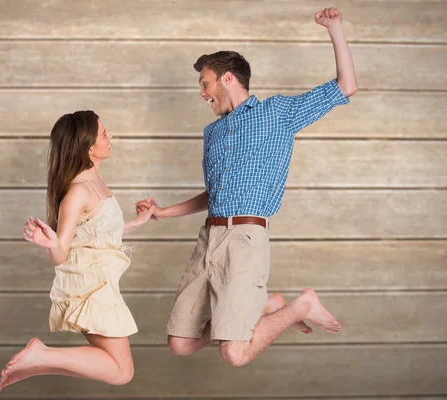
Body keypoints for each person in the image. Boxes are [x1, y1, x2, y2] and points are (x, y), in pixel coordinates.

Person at [136, 7, 357, 367]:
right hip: (210, 238)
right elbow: (214, 195)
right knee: (179, 342)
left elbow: (346, 87)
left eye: (204, 84)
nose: (201, 94)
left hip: (245, 241)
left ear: (227, 79)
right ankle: (268, 309)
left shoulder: (276, 114)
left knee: (234, 353)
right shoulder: (213, 133)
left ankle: (303, 305)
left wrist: (334, 28)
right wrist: (163, 212)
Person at [0, 111, 156, 392]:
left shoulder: (96, 182)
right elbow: (60, 253)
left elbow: (97, 231)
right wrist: (51, 244)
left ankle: (35, 364)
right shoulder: (78, 191)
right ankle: (41, 354)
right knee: (121, 372)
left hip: (101, 282)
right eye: (104, 133)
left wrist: (137, 221)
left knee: (121, 370)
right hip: (91, 287)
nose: (111, 137)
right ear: (88, 147)